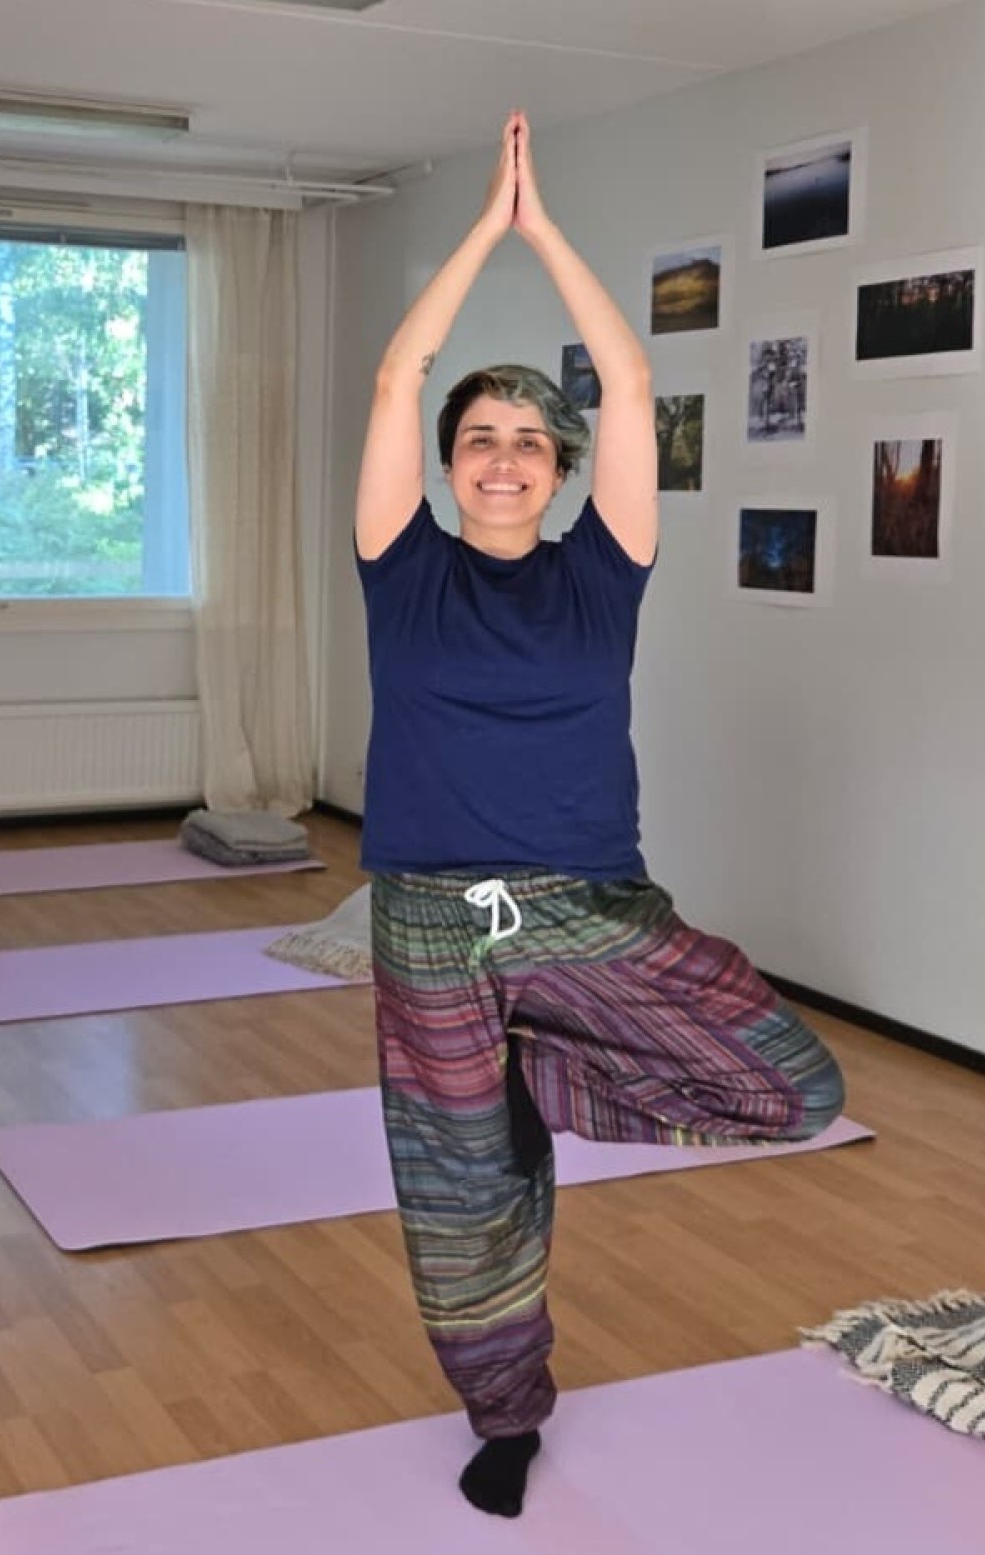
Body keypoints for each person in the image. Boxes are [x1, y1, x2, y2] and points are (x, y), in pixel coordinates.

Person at [355, 111, 845, 1518]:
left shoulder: (603, 568)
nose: (503, 458)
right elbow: (396, 375)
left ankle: (547, 1083)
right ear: (447, 462)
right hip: (429, 924)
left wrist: (543, 229)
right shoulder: (400, 565)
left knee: (793, 1084)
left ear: (563, 468)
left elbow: (628, 381)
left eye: (529, 440)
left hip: (584, 905)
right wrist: (479, 233)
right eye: (478, 439)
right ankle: (504, 1418)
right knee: (462, 1195)